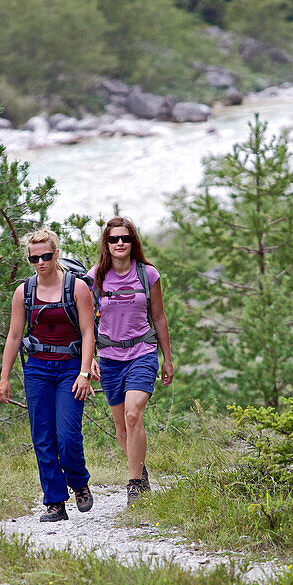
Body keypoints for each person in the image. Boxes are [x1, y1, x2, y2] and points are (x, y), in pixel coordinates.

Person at [0, 228, 95, 522]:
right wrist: (4, 377)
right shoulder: (24, 292)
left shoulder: (76, 288)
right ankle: (54, 502)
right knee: (43, 437)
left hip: (70, 368)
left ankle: (79, 481)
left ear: (56, 254)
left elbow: (89, 332)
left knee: (67, 436)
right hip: (38, 369)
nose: (41, 262)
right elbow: (14, 336)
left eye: (46, 256)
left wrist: (85, 372)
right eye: (34, 258)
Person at [88, 216, 174, 504]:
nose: (120, 243)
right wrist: (88, 361)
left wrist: (167, 358)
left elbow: (159, 317)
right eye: (114, 239)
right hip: (109, 357)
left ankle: (134, 484)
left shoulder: (147, 274)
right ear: (106, 244)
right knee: (121, 427)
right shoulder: (95, 276)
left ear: (133, 241)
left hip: (142, 352)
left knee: (133, 415)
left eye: (125, 238)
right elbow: (86, 323)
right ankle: (141, 470)